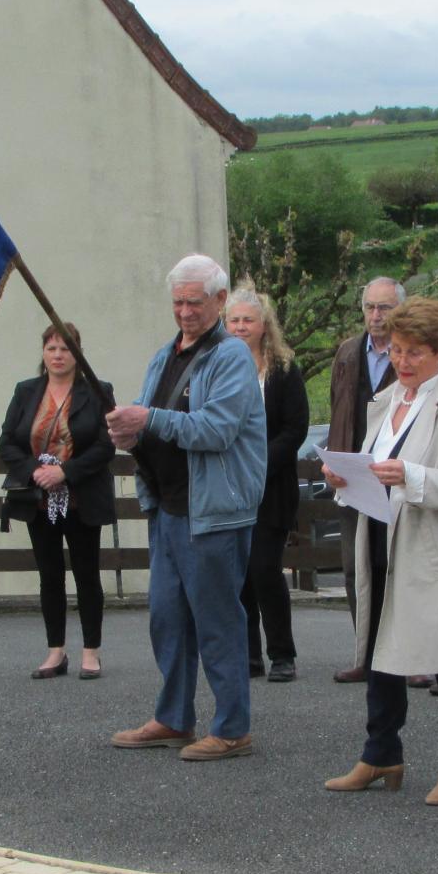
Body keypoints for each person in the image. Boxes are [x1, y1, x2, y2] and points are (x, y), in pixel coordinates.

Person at [320, 298, 438, 806]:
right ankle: (381, 753)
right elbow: (374, 466)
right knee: (380, 651)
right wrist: (343, 477)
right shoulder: (390, 396)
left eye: (415, 352)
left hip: (436, 551)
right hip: (382, 535)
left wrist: (412, 477)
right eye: (396, 350)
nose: (403, 361)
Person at [105, 254, 266, 760]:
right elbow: (151, 421)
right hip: (169, 508)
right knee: (168, 618)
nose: (185, 311)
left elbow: (216, 429)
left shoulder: (233, 357)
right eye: (177, 302)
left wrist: (147, 418)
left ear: (220, 301)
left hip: (213, 512)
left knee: (217, 620)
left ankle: (232, 726)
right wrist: (129, 434)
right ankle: (174, 717)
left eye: (194, 302)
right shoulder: (162, 356)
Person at [0, 323, 116, 680]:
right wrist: (36, 471)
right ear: (43, 353)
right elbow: (8, 443)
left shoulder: (97, 391)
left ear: (77, 353)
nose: (58, 355)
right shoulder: (26, 391)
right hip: (38, 499)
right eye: (52, 348)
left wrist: (65, 472)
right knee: (49, 575)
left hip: (81, 497)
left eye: (66, 348)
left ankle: (91, 652)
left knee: (86, 575)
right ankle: (55, 652)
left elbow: (105, 445)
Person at [225, 286, 308, 683]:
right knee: (238, 575)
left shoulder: (284, 369)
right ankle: (248, 658)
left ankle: (282, 654)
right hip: (229, 488)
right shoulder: (216, 367)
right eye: (234, 320)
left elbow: (295, 430)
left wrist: (257, 464)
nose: (241, 327)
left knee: (265, 569)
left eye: (248, 320)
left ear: (264, 325)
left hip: (271, 486)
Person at [327, 277, 402, 683]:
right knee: (357, 568)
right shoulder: (347, 352)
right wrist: (333, 459)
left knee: (397, 567)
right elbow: (339, 411)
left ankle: (407, 660)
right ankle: (366, 655)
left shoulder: (411, 353)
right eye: (370, 307)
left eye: (385, 308)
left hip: (399, 475)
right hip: (354, 477)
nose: (376, 316)